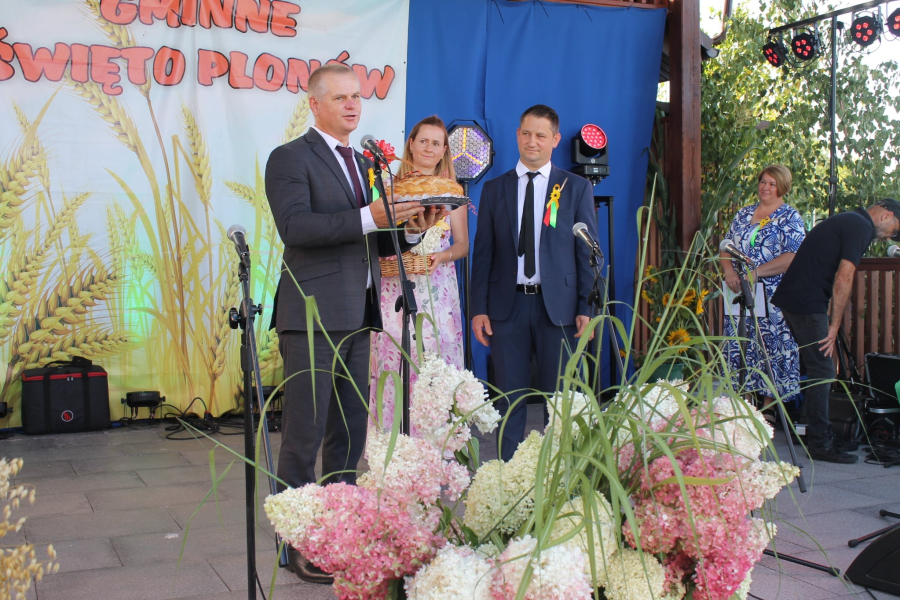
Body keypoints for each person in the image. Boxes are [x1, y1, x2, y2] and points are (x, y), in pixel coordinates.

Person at [264, 62, 444, 583]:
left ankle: (339, 533)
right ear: (314, 104)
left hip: (359, 312)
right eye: (340, 97)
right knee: (304, 434)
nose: (351, 105)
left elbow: (374, 238)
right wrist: (372, 216)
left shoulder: (366, 162)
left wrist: (412, 229)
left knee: (347, 432)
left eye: (357, 97)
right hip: (312, 314)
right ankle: (296, 541)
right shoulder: (289, 157)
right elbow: (296, 227)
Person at [470, 104, 598, 462]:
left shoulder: (576, 188)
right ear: (517, 135)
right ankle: (507, 473)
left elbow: (587, 252)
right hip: (506, 308)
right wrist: (478, 308)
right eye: (526, 133)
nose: (532, 141)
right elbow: (483, 254)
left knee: (560, 400)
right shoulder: (495, 189)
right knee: (509, 399)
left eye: (541, 135)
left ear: (555, 140)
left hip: (559, 309)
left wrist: (586, 307)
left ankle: (559, 474)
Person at [771, 198, 900, 463]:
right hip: (806, 301)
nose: (890, 236)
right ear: (887, 215)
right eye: (895, 231)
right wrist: (834, 325)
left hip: (797, 298)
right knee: (823, 370)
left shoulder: (849, 219)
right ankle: (820, 442)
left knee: (818, 368)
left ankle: (819, 433)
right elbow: (844, 275)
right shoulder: (861, 226)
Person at [369, 116, 467, 432]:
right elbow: (378, 242)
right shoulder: (390, 190)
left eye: (436, 143)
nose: (428, 148)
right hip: (395, 288)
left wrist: (443, 256)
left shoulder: (452, 193)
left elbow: (462, 245)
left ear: (444, 151)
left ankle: (438, 442)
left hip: (438, 290)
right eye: (423, 141)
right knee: (394, 357)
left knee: (435, 359)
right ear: (411, 144)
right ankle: (391, 440)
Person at [720, 165, 806, 417]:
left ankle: (768, 408)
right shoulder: (744, 213)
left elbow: (793, 256)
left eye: (772, 184)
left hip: (773, 293)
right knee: (739, 343)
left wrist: (756, 272)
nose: (765, 187)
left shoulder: (789, 216)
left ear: (782, 187)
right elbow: (725, 246)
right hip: (739, 289)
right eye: (763, 182)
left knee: (770, 345)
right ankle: (742, 404)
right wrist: (729, 271)